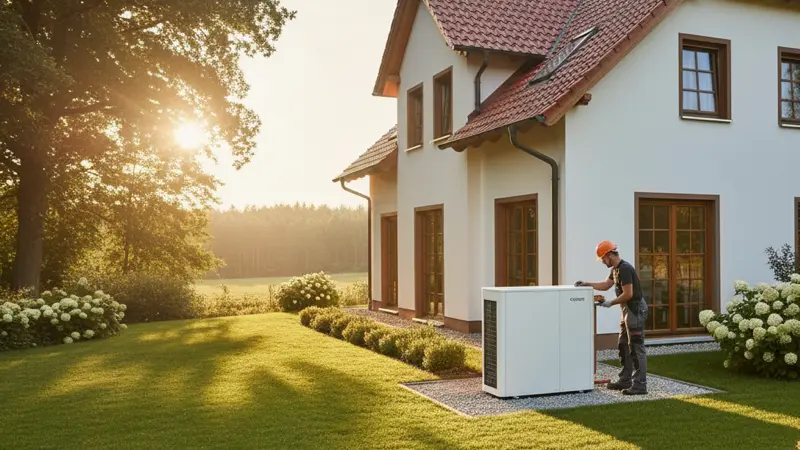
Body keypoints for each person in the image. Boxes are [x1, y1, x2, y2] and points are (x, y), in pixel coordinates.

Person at [575, 240, 648, 395]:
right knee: (623, 345)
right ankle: (625, 380)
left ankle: (640, 385)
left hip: (635, 310)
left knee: (636, 348)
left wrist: (610, 303)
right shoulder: (616, 269)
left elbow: (629, 294)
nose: (602, 261)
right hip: (626, 311)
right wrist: (586, 284)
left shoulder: (626, 269)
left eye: (603, 258)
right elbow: (605, 285)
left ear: (609, 255)